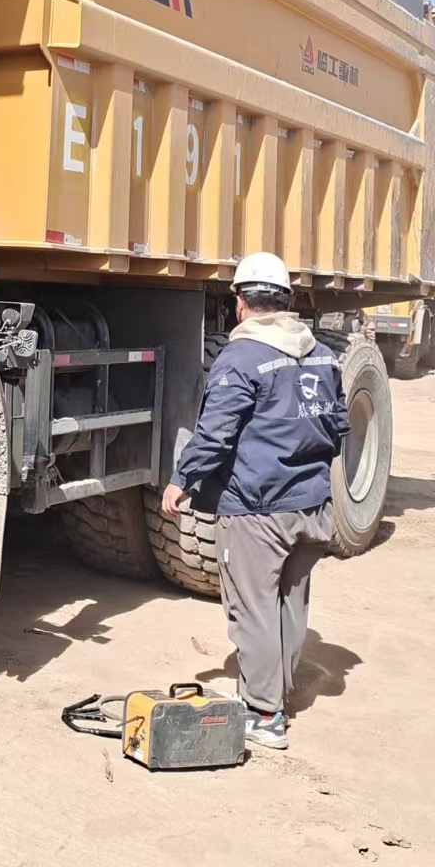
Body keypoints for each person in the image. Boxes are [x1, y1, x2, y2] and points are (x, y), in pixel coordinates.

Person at [161, 252, 349, 750]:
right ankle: (276, 693)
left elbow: (215, 434)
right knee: (290, 604)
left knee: (253, 611)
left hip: (257, 509)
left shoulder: (241, 357)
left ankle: (264, 715)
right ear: (286, 300)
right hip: (312, 507)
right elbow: (338, 426)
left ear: (240, 303)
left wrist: (181, 480)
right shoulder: (321, 353)